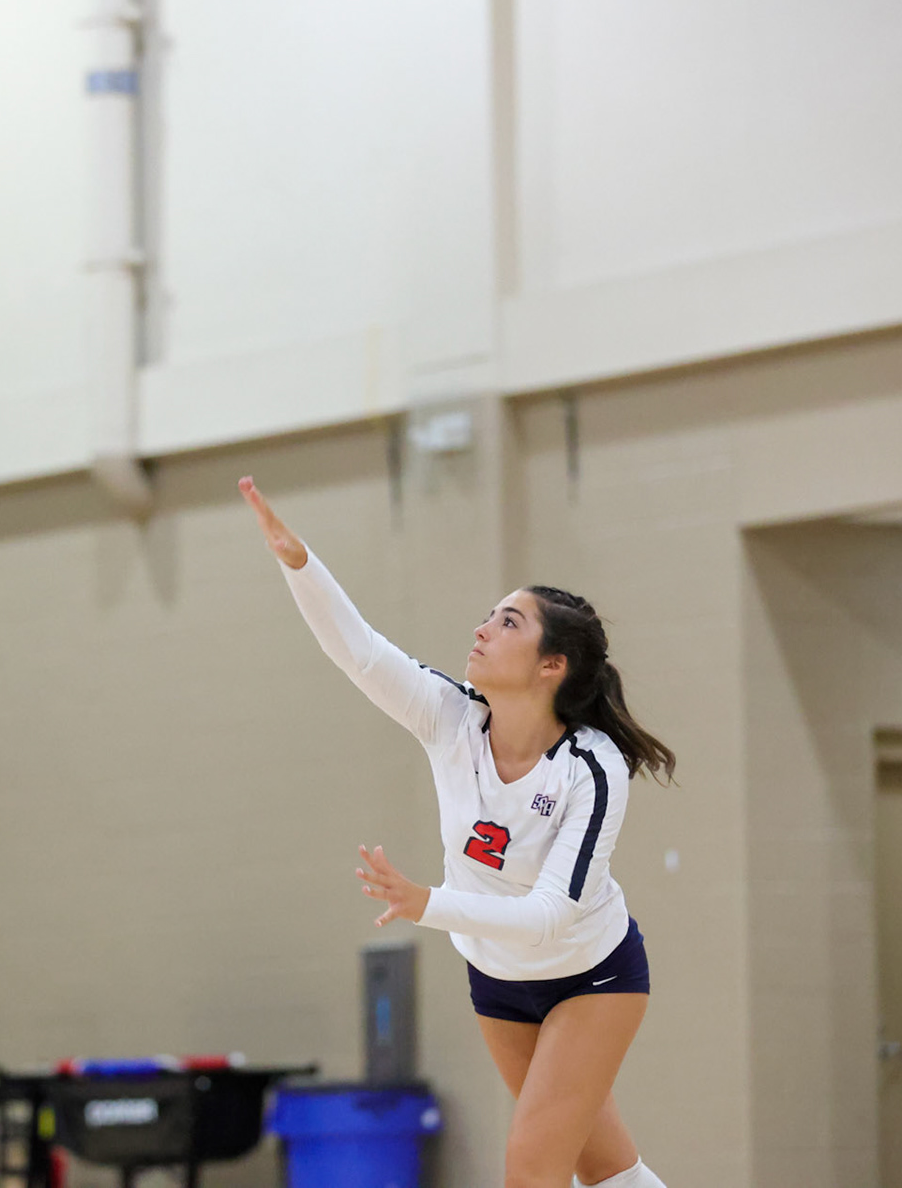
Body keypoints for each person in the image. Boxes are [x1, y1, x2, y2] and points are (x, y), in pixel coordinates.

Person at [240, 477, 674, 1188]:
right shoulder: (450, 717)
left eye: (508, 623)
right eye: (488, 615)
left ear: (551, 665)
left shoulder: (590, 770)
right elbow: (361, 653)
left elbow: (550, 916)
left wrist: (425, 903)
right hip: (498, 979)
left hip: (591, 973)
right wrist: (298, 561)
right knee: (606, 1169)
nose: (482, 629)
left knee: (531, 1165)